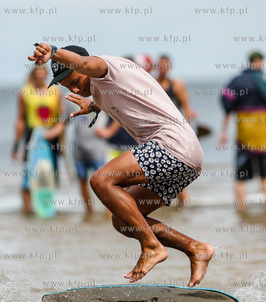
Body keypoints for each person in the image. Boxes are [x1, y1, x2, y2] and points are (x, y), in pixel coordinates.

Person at [28, 43, 214, 287]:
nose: (75, 88)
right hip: (187, 158)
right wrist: (93, 106)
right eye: (68, 87)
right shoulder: (101, 90)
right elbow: (124, 95)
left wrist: (53, 51)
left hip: (173, 146)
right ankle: (195, 248)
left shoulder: (108, 66)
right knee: (124, 220)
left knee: (100, 180)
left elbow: (86, 64)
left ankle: (151, 247)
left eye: (75, 80)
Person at [13, 66, 64, 213]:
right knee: (29, 174)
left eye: (43, 73)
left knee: (50, 174)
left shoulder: (56, 91)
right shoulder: (25, 91)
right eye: (37, 73)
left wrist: (56, 132)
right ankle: (27, 210)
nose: (40, 76)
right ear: (33, 74)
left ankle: (47, 208)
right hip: (32, 137)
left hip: (51, 138)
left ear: (46, 74)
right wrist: (16, 145)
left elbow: (62, 118)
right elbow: (20, 119)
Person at [220, 51, 266, 212]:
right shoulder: (263, 81)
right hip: (263, 136)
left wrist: (224, 131)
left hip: (245, 135)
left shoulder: (238, 81)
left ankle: (240, 209)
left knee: (240, 176)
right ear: (259, 61)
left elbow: (226, 101)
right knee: (264, 175)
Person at [156, 55, 198, 205]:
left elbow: (187, 110)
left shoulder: (177, 86)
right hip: (157, 133)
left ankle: (185, 205)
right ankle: (169, 204)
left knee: (174, 171)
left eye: (165, 65)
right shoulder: (152, 84)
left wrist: (189, 134)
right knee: (161, 172)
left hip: (175, 133)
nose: (162, 68)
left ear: (170, 67)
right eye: (160, 65)